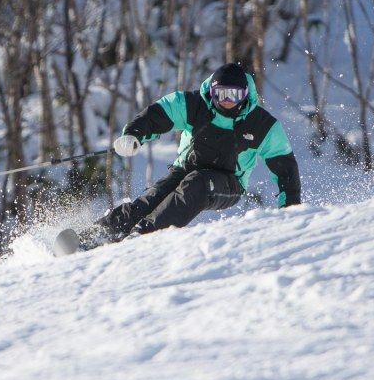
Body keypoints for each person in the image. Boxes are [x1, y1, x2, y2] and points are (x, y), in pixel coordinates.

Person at [81, 63, 301, 248]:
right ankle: (93, 237)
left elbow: (285, 167)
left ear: (245, 95)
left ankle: (143, 237)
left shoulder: (261, 124)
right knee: (150, 200)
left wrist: (289, 209)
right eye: (221, 94)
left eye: (233, 96)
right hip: (185, 169)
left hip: (229, 183)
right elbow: (159, 113)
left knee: (197, 184)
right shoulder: (195, 105)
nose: (226, 101)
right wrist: (133, 134)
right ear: (212, 92)